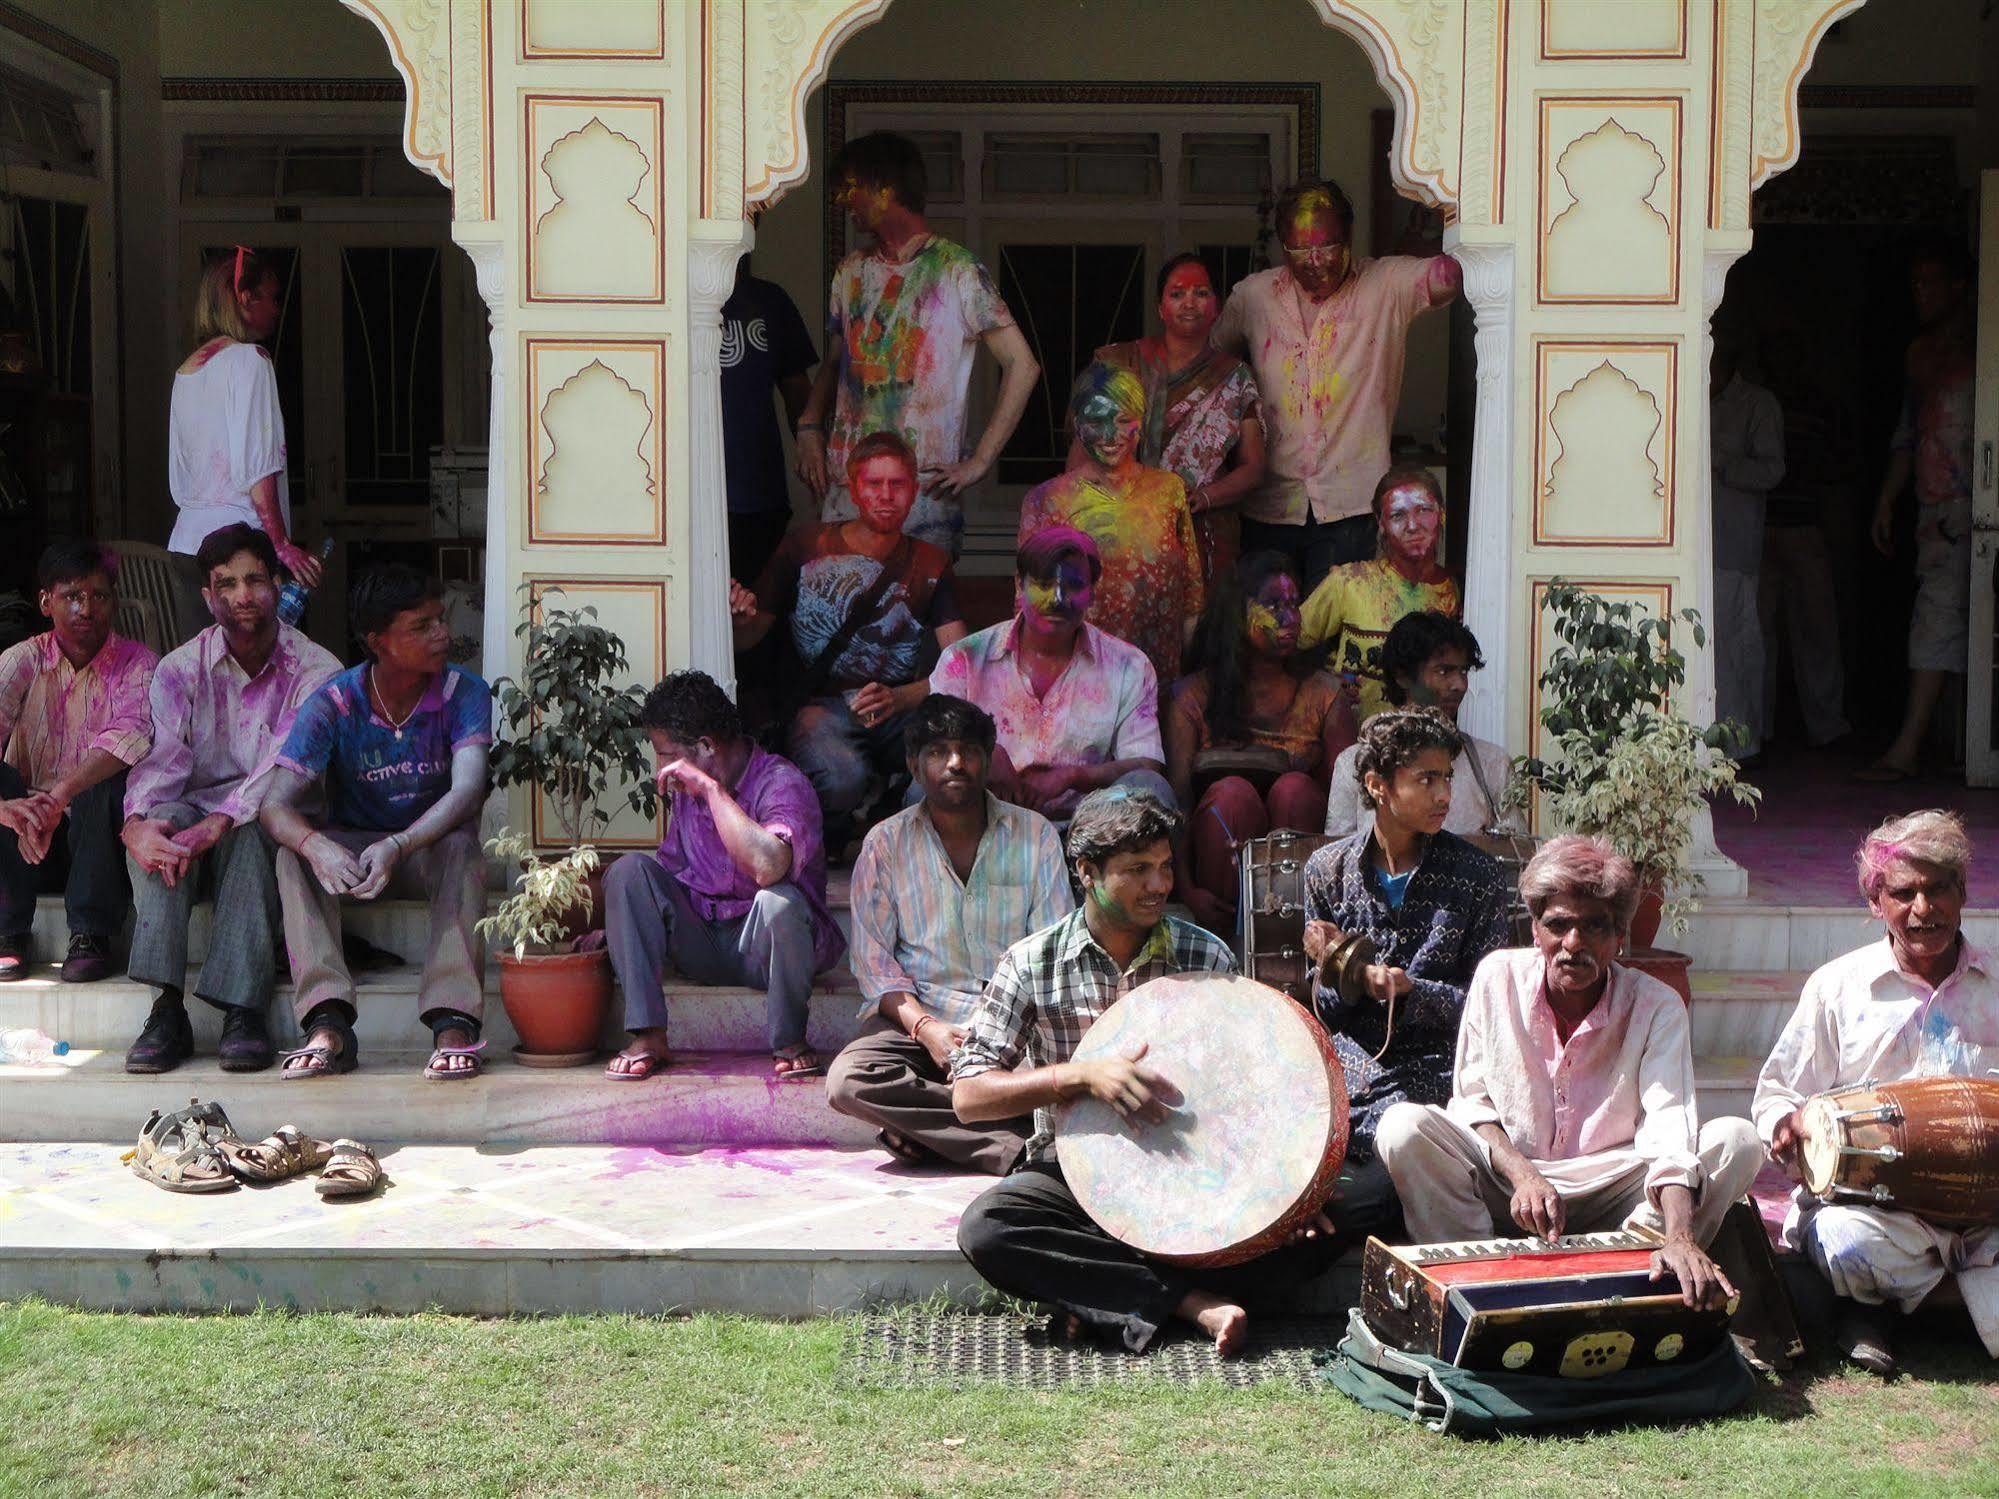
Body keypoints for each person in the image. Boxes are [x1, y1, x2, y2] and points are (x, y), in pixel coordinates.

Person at [953, 787, 1340, 1356]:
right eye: (1137, 870)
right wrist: (1080, 1078)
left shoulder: (1207, 957)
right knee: (989, 1226)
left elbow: (1259, 1093)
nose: (1160, 885)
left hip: (1202, 1181)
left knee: (1346, 1212)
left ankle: (1103, 1295)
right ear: (1086, 870)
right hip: (1076, 1184)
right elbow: (969, 1096)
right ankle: (1191, 1303)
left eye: (1163, 867)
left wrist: (1291, 1191)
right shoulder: (1031, 962)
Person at [1376, 834, 1759, 1307]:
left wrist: (1681, 1234)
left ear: (1619, 936)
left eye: (1594, 927)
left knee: (1738, 1141)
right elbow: (1473, 1105)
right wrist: (1523, 1174)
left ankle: (1645, 1263)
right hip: (1510, 1185)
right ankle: (1473, 1281)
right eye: (1558, 925)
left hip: (1615, 1185)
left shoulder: (1656, 1005)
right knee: (1401, 1127)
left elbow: (1668, 1131)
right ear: (1535, 929)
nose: (1573, 944)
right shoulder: (1497, 978)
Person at [1753, 810, 1999, 1376]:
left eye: (1939, 889)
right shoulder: (1837, 988)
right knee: (1843, 1239)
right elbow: (1775, 1094)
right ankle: (1961, 1307)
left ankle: (1885, 1312)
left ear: (1962, 892)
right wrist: (1788, 1126)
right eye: (1904, 892)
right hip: (1878, 1212)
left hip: (1984, 1210)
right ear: (1875, 903)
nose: (1924, 909)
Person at [121, 524, 341, 1074]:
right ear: (207, 597)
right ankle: (166, 1008)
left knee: (253, 830)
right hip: (197, 816)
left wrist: (220, 820)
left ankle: (243, 1010)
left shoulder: (316, 671)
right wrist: (138, 824)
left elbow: (285, 768)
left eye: (255, 581)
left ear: (276, 585)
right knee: (162, 824)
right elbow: (161, 762)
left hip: (269, 814)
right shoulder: (178, 669)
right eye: (226, 585)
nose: (242, 596)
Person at [260, 565, 492, 1081]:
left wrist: (401, 844)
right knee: (290, 855)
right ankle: (327, 1022)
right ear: (378, 642)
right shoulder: (336, 701)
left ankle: (454, 1022)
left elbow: (468, 791)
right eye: (421, 626)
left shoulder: (465, 693)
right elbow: (274, 806)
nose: (442, 634)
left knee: (462, 846)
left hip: (422, 848)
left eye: (440, 620)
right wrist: (318, 847)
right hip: (355, 854)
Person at [827, 694, 1071, 1171]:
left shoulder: (1035, 835)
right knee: (850, 1079)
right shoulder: (885, 844)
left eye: (968, 751)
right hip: (922, 1024)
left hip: (1013, 1026)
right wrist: (928, 1030)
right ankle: (1013, 1147)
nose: (955, 763)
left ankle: (937, 1135)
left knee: (1062, 1073)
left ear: (987, 759)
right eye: (938, 752)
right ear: (914, 766)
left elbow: (1052, 950)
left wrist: (998, 1034)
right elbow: (876, 968)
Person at [1298, 710, 1511, 1226]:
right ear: (1377, 786)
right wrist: (1339, 973)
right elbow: (1322, 1010)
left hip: (1438, 1082)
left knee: (1359, 1193)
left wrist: (1410, 991)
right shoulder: (1327, 872)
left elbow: (1490, 1008)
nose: (1444, 795)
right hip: (1348, 1083)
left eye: (1448, 778)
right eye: (1426, 779)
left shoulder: (1477, 875)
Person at [794, 131, 1039, 558]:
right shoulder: (851, 271)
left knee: (918, 618)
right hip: (847, 487)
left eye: (851, 187)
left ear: (885, 188)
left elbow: (1023, 364)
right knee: (840, 612)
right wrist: (809, 424)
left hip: (920, 494)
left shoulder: (956, 270)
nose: (841, 201)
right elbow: (837, 362)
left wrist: (981, 460)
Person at [1213, 178, 1460, 591]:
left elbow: (1448, 278)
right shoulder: (1254, 297)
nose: (1316, 261)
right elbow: (1212, 364)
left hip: (1352, 508)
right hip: (1268, 506)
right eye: (1300, 250)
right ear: (1282, 246)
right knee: (1264, 633)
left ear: (1349, 236)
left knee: (1333, 641)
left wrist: (1458, 211)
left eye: (1328, 246)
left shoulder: (1384, 285)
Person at [602, 670, 846, 1082]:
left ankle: (789, 1041)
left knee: (779, 901)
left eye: (664, 754)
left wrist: (715, 793)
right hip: (704, 941)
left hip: (767, 949)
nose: (658, 766)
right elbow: (669, 874)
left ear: (705, 747)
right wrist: (622, 928)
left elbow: (769, 867)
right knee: (628, 872)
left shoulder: (782, 783)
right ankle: (649, 1036)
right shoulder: (685, 792)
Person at [736, 431, 965, 841]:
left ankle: (894, 834)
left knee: (944, 762)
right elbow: (747, 639)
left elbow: (962, 667)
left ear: (913, 491)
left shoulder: (931, 561)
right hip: (820, 707)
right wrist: (738, 616)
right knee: (841, 776)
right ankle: (835, 836)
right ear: (854, 489)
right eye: (873, 484)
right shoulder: (805, 545)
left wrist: (901, 698)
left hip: (898, 709)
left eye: (897, 484)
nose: (885, 495)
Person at [930, 527, 1172, 822]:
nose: (1058, 599)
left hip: (1093, 829)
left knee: (1152, 789)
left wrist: (1074, 776)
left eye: (1073, 585)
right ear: (1019, 585)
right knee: (929, 789)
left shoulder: (1129, 666)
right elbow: (932, 747)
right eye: (1043, 584)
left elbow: (1146, 765)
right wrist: (983, 752)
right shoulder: (964, 659)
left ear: (1093, 593)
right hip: (983, 825)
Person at [1167, 550, 1352, 932]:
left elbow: (1347, 805)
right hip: (1217, 878)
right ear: (1237, 616)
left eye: (1293, 604)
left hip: (1304, 877)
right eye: (1273, 605)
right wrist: (1186, 890)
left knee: (1293, 790)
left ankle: (1289, 927)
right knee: (1232, 794)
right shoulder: (1192, 696)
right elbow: (1177, 802)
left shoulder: (1324, 693)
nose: (1290, 617)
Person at [0, 542, 156, 983]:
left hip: (100, 847)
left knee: (104, 783)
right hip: (27, 843)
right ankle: (6, 932)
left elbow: (131, 739)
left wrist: (60, 794)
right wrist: (8, 810)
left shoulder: (139, 665)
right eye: (72, 596)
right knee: (5, 783)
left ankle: (89, 934)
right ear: (46, 602)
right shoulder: (21, 661)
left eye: (99, 596)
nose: (87, 608)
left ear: (114, 601)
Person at [1075, 252, 1264, 591]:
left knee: (1199, 636)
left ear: (1217, 308)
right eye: (1177, 294)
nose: (1189, 302)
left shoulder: (1235, 378)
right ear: (1161, 308)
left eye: (1201, 293)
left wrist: (1203, 498)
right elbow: (1080, 451)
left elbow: (1253, 467)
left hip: (1202, 534)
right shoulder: (1119, 364)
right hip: (1120, 526)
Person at [1861, 243, 1976, 782]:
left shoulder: (1986, 348)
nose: (1921, 293)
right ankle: (1913, 747)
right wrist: (1887, 498)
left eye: (1932, 281)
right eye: (1915, 283)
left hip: (1981, 505)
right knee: (1935, 619)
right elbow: (1908, 434)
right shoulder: (1920, 354)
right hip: (1939, 512)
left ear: (1960, 288)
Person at [1018, 363, 1203, 688]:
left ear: (1141, 422)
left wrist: (1189, 677)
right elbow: (1027, 603)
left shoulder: (1169, 491)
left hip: (1157, 675)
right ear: (1077, 425)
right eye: (1095, 421)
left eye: (1122, 421)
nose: (1109, 436)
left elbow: (1191, 596)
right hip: (1080, 678)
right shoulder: (1047, 500)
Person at [169, 247, 322, 633]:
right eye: (271, 297)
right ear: (245, 298)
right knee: (252, 676)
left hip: (186, 544)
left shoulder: (186, 370)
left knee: (205, 672)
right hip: (238, 551)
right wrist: (281, 543)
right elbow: (258, 467)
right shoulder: (251, 360)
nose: (276, 307)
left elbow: (181, 475)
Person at [1324, 611, 1514, 839]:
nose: (1459, 685)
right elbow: (1340, 860)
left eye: (1462, 671)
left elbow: (1516, 857)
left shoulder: (1492, 764)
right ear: (1402, 676)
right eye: (1443, 671)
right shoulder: (1353, 765)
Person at [1298, 465, 1460, 719]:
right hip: (1355, 743)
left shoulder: (1456, 591)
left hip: (1428, 743)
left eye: (1424, 510)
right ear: (1380, 523)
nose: (1412, 525)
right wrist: (1322, 684)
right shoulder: (1349, 581)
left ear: (1441, 515)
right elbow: (1284, 644)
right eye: (1397, 515)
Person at [1710, 330, 1785, 761]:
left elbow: (1772, 471)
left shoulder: (1757, 404)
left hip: (1733, 545)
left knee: (1736, 647)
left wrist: (1721, 463)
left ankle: (1741, 747)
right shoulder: (1688, 393)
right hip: (1687, 549)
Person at [721, 248, 818, 584]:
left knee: (759, 611)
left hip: (758, 492)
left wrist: (815, 456)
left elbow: (796, 390)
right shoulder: (675, 298)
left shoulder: (768, 300)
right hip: (686, 493)